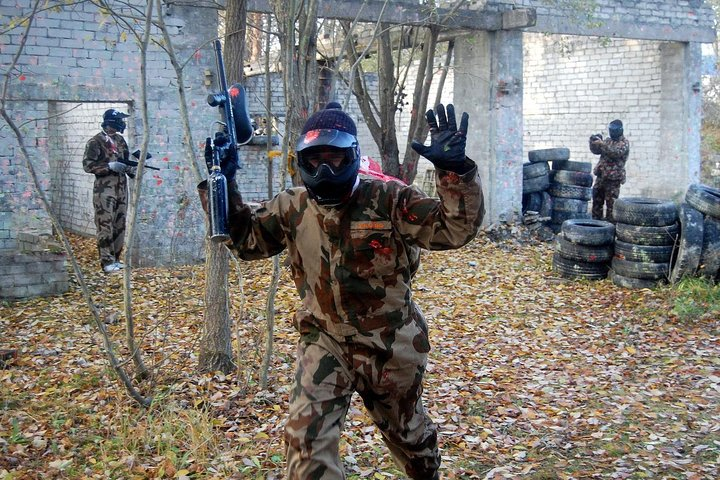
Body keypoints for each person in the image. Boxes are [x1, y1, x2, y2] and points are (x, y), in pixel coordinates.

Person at [198, 102, 484, 479]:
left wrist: (455, 171)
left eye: (334, 158)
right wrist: (224, 183)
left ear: (352, 157)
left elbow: (454, 229)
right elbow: (246, 241)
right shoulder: (292, 206)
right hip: (324, 339)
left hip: (390, 343)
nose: (325, 170)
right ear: (300, 163)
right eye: (314, 161)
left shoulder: (388, 199)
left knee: (410, 441)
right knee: (306, 445)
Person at [83, 108, 135, 273]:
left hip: (121, 187)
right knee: (105, 224)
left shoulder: (120, 140)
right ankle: (106, 261)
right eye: (119, 120)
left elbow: (126, 161)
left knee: (120, 223)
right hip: (104, 189)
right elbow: (87, 165)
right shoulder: (95, 142)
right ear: (110, 122)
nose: (122, 123)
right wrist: (108, 166)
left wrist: (132, 168)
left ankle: (116, 259)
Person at [589, 119, 630, 221]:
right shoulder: (608, 141)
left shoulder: (624, 143)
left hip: (613, 179)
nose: (611, 132)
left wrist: (602, 144)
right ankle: (595, 226)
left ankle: (610, 229)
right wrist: (593, 142)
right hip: (601, 176)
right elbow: (596, 151)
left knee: (611, 206)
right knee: (596, 202)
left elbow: (615, 153)